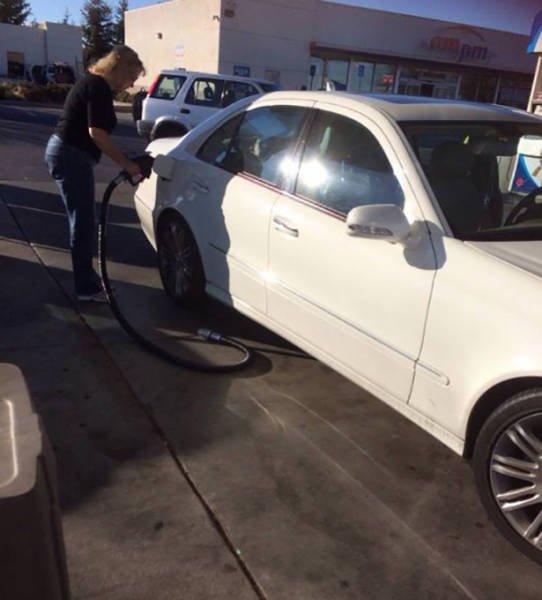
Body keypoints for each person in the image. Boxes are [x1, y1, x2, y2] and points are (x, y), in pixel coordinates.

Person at [45, 45, 145, 302]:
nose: (132, 84)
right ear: (120, 70)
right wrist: (127, 164)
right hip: (71, 155)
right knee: (82, 223)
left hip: (67, 153)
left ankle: (86, 281)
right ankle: (86, 288)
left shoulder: (94, 83)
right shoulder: (98, 86)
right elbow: (97, 134)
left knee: (81, 221)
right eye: (132, 77)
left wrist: (126, 159)